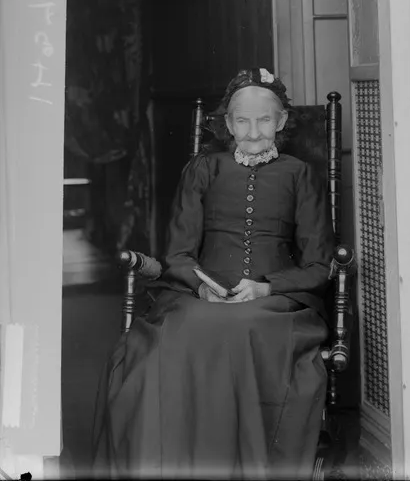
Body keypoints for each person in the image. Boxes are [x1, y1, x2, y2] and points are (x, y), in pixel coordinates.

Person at [92, 68, 336, 480]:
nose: (254, 131)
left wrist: (265, 288)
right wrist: (202, 288)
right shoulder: (204, 169)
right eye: (242, 120)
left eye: (264, 120)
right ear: (227, 124)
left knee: (245, 330)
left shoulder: (299, 174)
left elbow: (317, 265)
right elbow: (179, 254)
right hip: (199, 294)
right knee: (179, 333)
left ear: (281, 122)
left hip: (274, 303)